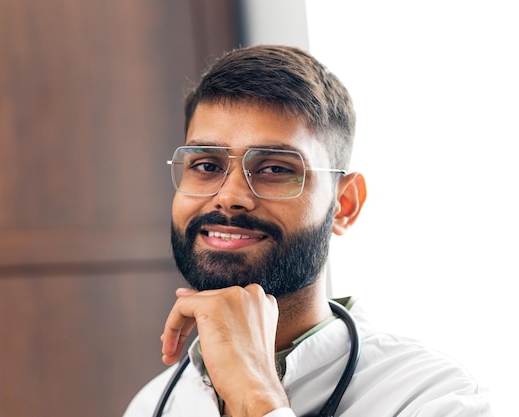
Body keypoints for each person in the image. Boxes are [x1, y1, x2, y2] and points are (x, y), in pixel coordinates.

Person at [123, 44, 493, 417]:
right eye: (205, 165)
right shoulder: (153, 405)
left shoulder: (436, 397)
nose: (229, 196)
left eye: (275, 169)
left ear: (344, 205)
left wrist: (256, 395)